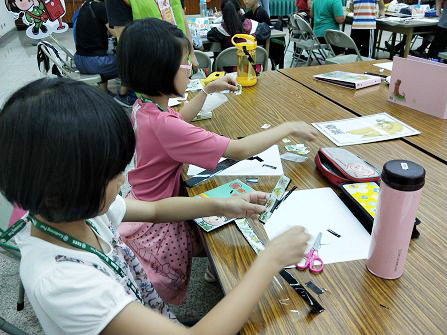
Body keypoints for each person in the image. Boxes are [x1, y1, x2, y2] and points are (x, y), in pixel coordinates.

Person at [0, 77, 310, 335]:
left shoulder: (74, 210)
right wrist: (269, 261)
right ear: (66, 186)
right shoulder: (63, 282)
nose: (123, 178)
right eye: (111, 174)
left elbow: (155, 210)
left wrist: (223, 205)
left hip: (146, 310)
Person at [117, 18, 318, 304]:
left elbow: (180, 118)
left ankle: (215, 273)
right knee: (237, 220)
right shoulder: (164, 126)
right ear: (160, 70)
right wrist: (287, 127)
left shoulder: (145, 107)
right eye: (186, 62)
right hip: (158, 228)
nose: (193, 68)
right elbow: (239, 150)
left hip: (141, 203)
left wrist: (206, 91)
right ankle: (223, 279)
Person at [74, 0, 135, 107]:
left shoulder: (85, 6)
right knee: (132, 62)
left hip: (79, 60)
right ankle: (123, 96)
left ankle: (104, 93)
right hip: (95, 63)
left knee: (103, 51)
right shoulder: (101, 8)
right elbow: (116, 33)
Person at [125, 0, 199, 66]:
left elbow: (182, 16)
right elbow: (122, 35)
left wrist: (191, 54)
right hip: (151, 63)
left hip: (181, 57)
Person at [243, 0, 286, 69]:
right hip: (261, 43)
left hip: (268, 45)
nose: (245, 1)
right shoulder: (251, 12)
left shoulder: (260, 13)